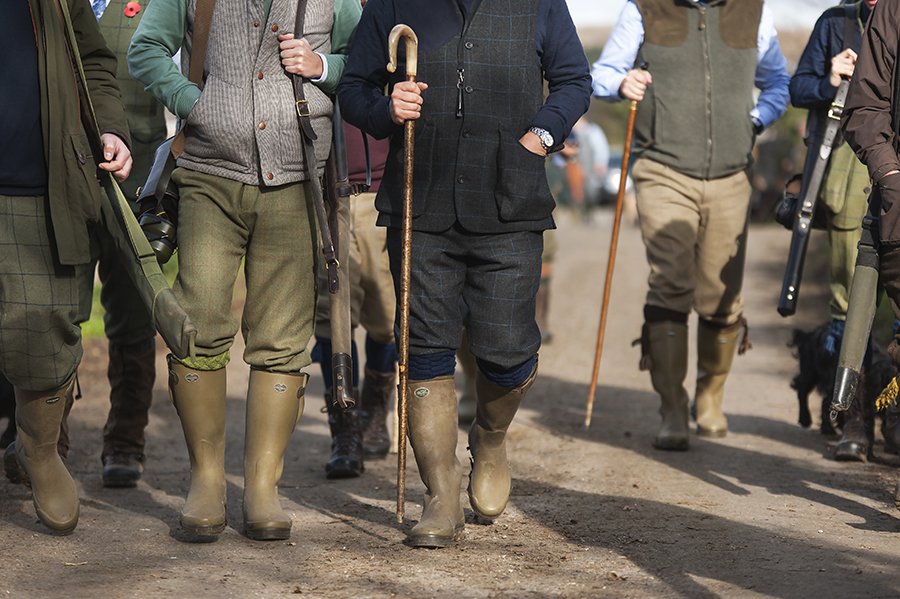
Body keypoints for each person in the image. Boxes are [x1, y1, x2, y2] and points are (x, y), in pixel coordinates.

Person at [339, 0, 591, 548]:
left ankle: (491, 437)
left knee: (507, 347)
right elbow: (353, 88)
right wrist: (387, 108)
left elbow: (574, 81)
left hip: (511, 201)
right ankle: (440, 492)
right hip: (419, 205)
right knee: (424, 347)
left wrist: (541, 136)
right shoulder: (393, 4)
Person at [128, 0, 361, 541]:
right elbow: (146, 50)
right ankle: (207, 480)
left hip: (298, 178)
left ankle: (261, 487)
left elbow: (364, 61)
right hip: (208, 176)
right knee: (200, 322)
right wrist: (194, 101)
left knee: (282, 336)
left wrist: (323, 67)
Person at [592, 0, 790, 450]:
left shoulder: (753, 11)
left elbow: (778, 80)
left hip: (732, 172)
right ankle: (672, 407)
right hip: (662, 169)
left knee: (722, 294)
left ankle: (710, 395)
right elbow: (600, 73)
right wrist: (622, 81)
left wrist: (755, 119)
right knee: (670, 281)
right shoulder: (643, 8)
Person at [0, 0, 132, 534]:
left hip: (34, 181)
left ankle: (38, 448)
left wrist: (111, 129)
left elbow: (93, 61)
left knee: (43, 333)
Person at [790, 0, 879, 461]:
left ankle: (894, 415)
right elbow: (798, 88)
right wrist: (830, 79)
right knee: (850, 299)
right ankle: (853, 417)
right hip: (850, 171)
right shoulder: (838, 22)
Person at [312, 118, 397, 479]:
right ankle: (344, 428)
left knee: (388, 317)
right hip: (327, 194)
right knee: (333, 315)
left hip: (384, 192)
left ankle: (375, 409)